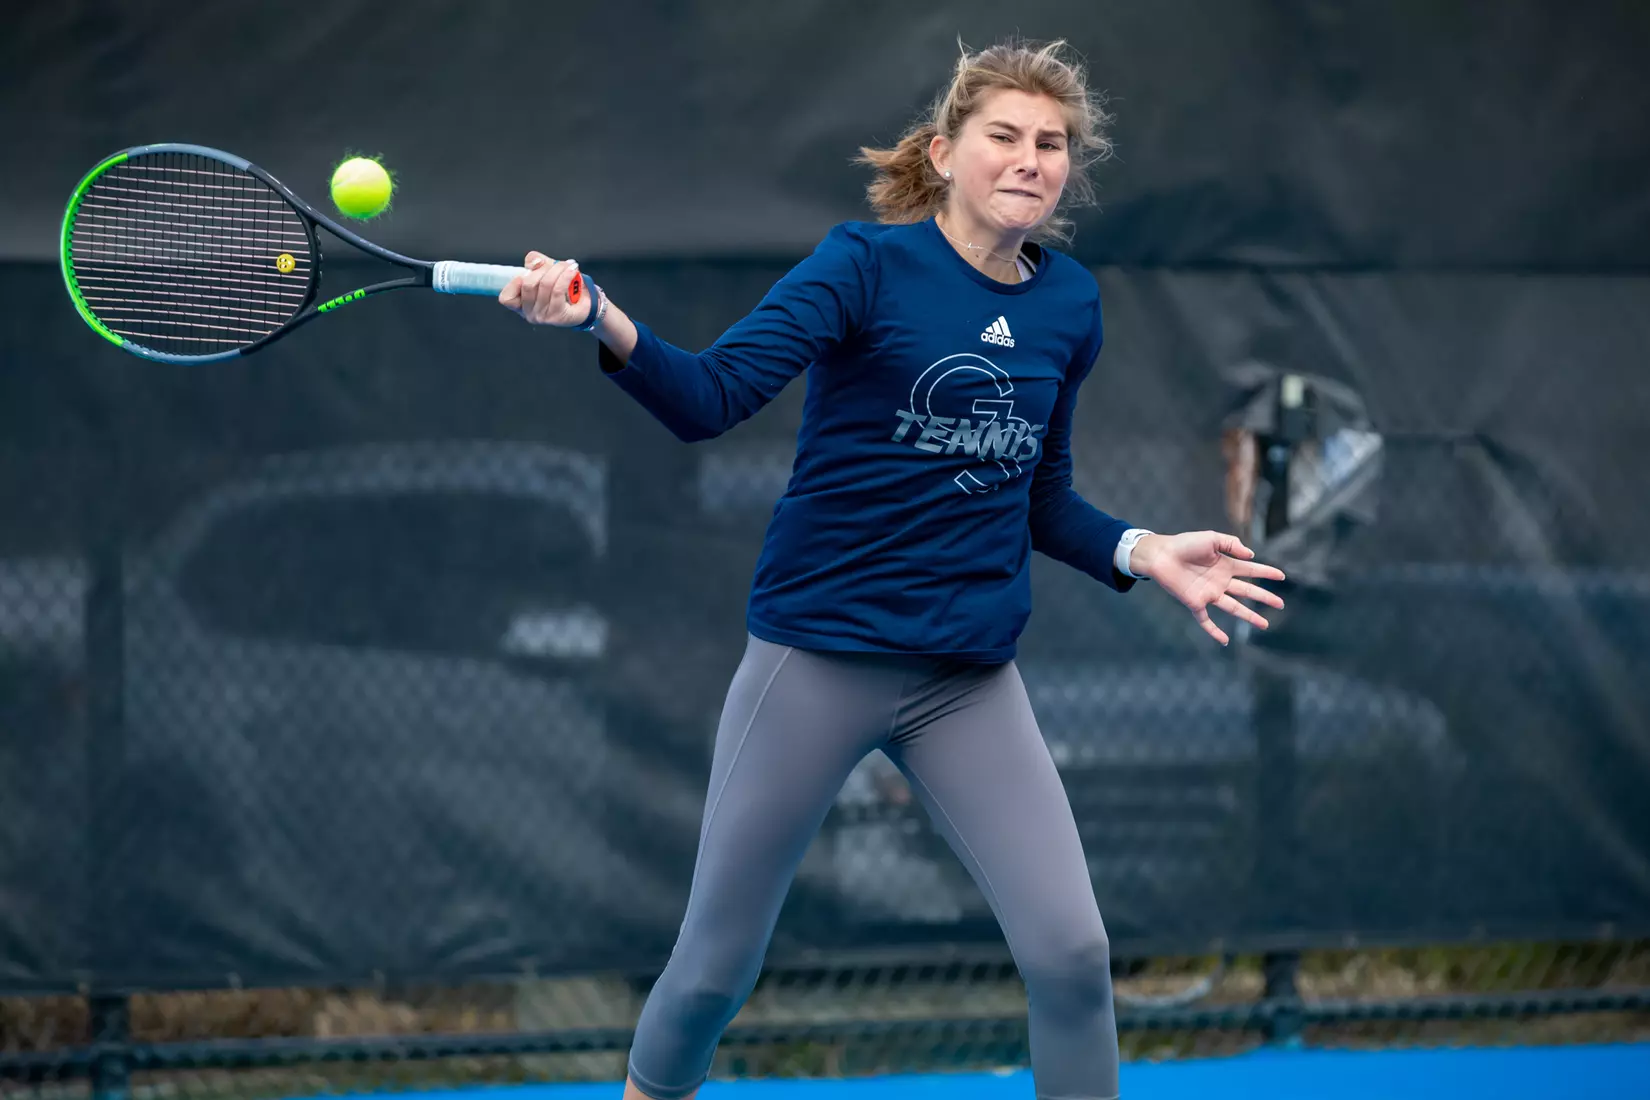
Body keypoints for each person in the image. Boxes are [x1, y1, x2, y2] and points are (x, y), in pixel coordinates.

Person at [499, 37, 1285, 1100]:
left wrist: (1143, 549)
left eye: (1051, 144)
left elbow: (1038, 494)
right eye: (1004, 135)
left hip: (968, 680)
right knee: (712, 972)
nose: (1030, 159)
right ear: (945, 151)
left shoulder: (1069, 305)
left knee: (1071, 956)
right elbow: (709, 396)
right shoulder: (861, 266)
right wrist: (599, 315)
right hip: (815, 666)